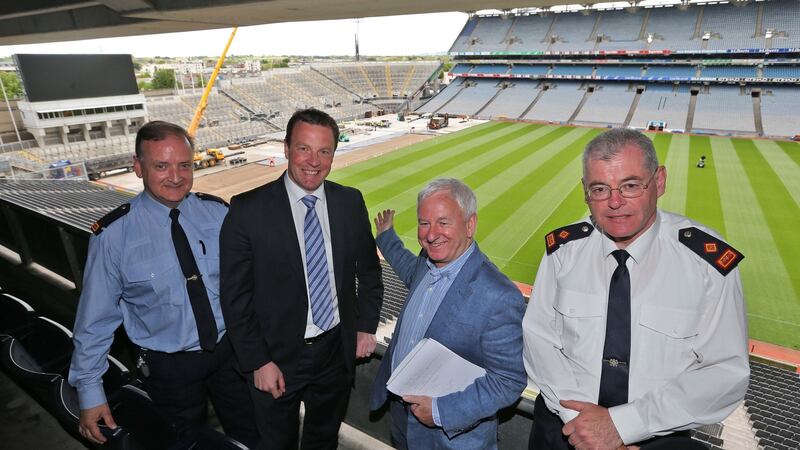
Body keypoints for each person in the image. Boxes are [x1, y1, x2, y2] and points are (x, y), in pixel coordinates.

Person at [523, 128, 749, 450]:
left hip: (653, 441)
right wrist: (585, 424)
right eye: (600, 189)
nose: (615, 203)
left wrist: (622, 426)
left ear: (659, 182)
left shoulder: (707, 265)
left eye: (630, 185)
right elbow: (540, 341)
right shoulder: (563, 252)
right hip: (561, 430)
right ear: (585, 192)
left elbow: (725, 372)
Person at [69, 121, 259, 448]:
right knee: (179, 443)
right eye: (161, 165)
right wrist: (90, 393)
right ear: (138, 168)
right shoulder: (114, 236)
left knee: (252, 437)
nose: (175, 176)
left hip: (231, 355)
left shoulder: (217, 214)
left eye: (184, 165)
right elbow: (95, 320)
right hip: (169, 368)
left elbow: (247, 288)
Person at [219, 108, 384, 449]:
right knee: (276, 443)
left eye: (324, 151)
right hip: (274, 358)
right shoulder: (247, 209)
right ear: (286, 149)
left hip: (334, 354)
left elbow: (369, 271)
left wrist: (366, 325)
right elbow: (235, 298)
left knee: (323, 440)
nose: (314, 160)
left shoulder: (349, 202)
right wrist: (258, 361)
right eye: (304, 148)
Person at [370, 178, 527, 449]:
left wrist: (442, 412)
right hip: (400, 418)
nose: (431, 235)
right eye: (424, 223)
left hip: (448, 438)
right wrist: (386, 237)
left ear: (470, 224)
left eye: (443, 223)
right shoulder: (426, 261)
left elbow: (509, 381)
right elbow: (409, 268)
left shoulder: (499, 295)